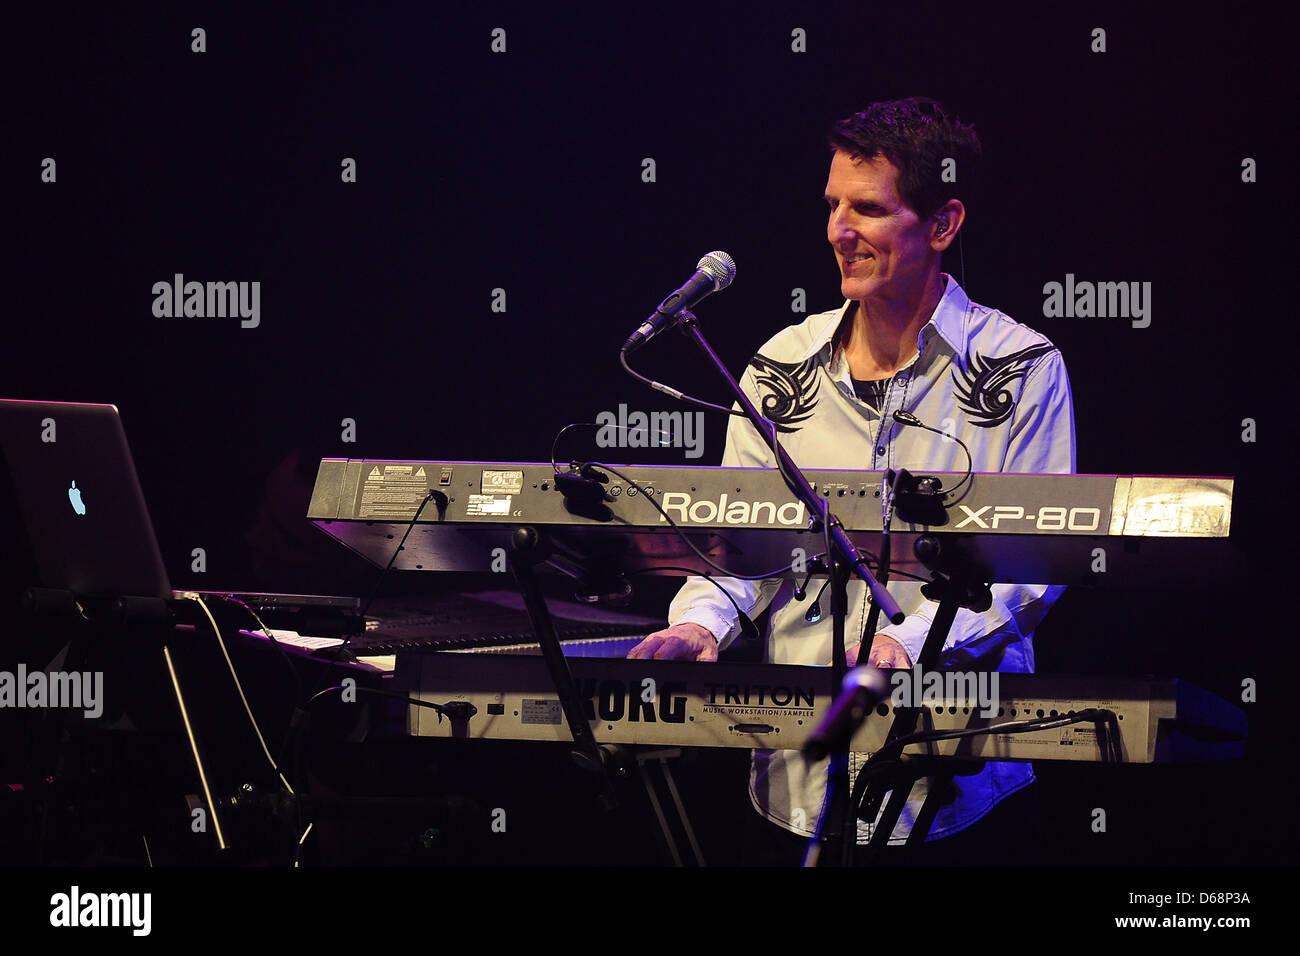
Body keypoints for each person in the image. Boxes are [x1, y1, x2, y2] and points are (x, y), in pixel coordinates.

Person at [627, 97, 1075, 865]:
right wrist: (700, 621)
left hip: (958, 800)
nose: (839, 230)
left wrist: (903, 646)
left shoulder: (1023, 367)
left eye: (867, 208)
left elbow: (1028, 570)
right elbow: (738, 546)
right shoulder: (778, 367)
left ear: (942, 225)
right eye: (832, 205)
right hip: (790, 792)